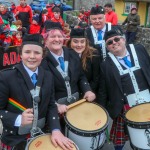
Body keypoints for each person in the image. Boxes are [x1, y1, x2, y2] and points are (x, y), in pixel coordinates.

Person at [0, 33, 74, 150]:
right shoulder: (6, 77)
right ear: (20, 54)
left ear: (43, 55)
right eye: (27, 52)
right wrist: (17, 119)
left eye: (37, 53)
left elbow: (51, 106)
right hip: (15, 138)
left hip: (41, 134)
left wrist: (56, 130)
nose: (32, 56)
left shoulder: (48, 76)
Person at [98, 29, 150, 150]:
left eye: (117, 39)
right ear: (107, 47)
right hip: (125, 105)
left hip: (148, 100)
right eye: (109, 42)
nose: (114, 43)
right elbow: (103, 90)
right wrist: (103, 111)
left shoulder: (139, 49)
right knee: (119, 139)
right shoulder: (105, 64)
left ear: (123, 39)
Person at [41, 21, 95, 115]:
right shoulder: (42, 60)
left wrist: (87, 90)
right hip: (56, 109)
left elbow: (81, 76)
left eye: (59, 36)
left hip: (76, 104)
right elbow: (43, 89)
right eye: (53, 36)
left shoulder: (72, 53)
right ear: (45, 39)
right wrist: (55, 104)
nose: (57, 39)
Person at [66, 28, 100, 97]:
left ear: (86, 42)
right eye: (75, 42)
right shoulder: (65, 55)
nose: (79, 45)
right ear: (70, 42)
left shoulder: (93, 55)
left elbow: (96, 78)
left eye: (82, 42)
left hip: (89, 93)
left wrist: (87, 92)